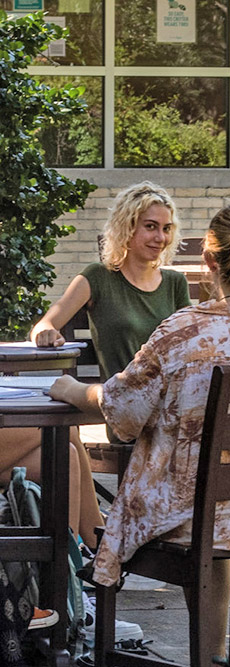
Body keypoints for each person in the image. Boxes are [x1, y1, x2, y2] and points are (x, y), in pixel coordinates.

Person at [51, 201, 230, 661]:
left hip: (196, 517)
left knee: (202, 505)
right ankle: (211, 655)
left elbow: (122, 410)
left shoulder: (182, 332)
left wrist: (73, 389)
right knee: (219, 506)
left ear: (208, 263)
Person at [0, 182, 190, 555]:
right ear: (128, 228)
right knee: (65, 439)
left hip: (170, 408)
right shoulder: (99, 278)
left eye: (166, 228)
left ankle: (95, 555)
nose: (160, 237)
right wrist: (48, 334)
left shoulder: (175, 283)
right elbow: (45, 324)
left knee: (66, 441)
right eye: (150, 226)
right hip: (123, 407)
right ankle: (96, 553)